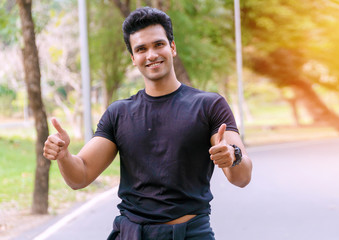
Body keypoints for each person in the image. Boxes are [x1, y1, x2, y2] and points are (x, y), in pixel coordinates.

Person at [43, 6, 252, 240]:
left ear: (172, 47)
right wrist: (64, 156)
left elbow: (242, 178)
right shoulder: (119, 113)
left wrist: (233, 156)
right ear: (133, 58)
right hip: (132, 234)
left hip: (190, 234)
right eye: (141, 49)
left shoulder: (209, 105)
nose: (151, 54)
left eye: (158, 44)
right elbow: (80, 176)